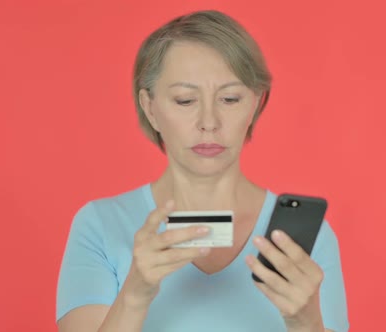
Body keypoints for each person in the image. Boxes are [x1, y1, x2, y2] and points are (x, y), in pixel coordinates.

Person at [56, 9, 348, 332]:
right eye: (185, 100)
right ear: (150, 107)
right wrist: (135, 295)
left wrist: (306, 321)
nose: (209, 122)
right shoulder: (99, 227)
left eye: (230, 98)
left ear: (255, 103)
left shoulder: (306, 240)